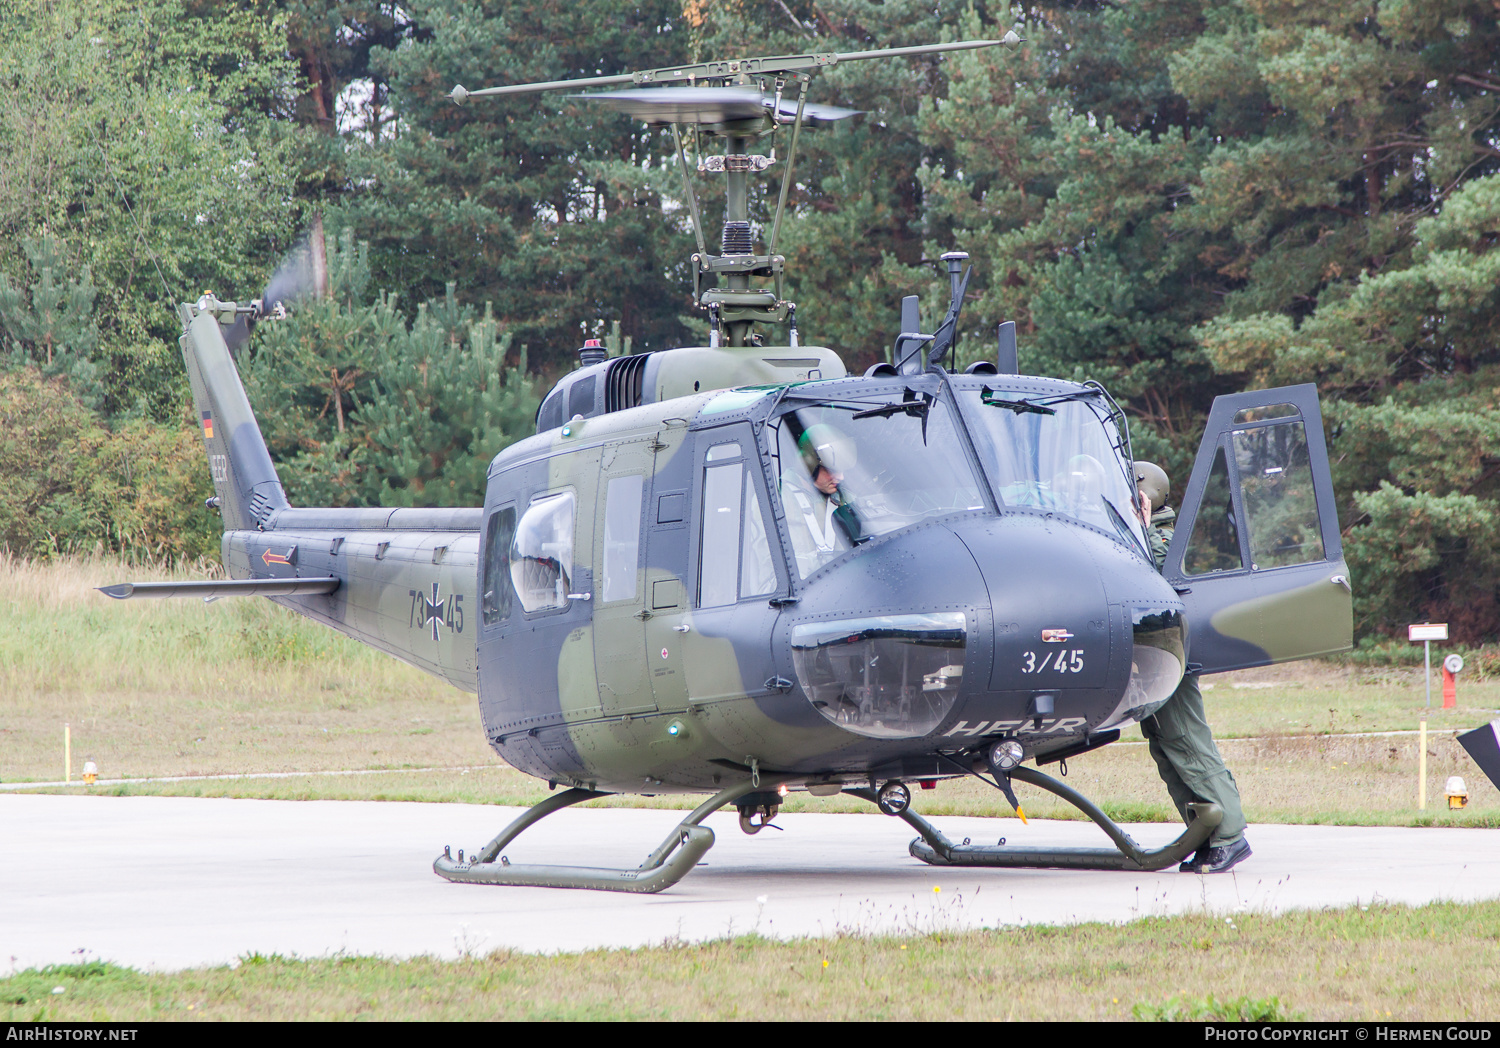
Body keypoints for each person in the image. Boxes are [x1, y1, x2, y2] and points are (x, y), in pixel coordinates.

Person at [1134, 460, 1252, 875]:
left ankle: (1230, 836)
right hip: (1156, 657)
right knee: (1167, 746)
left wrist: (1140, 526)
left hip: (1172, 656)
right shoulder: (1146, 534)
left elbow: (1145, 565)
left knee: (1188, 740)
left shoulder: (1161, 537)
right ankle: (1204, 832)